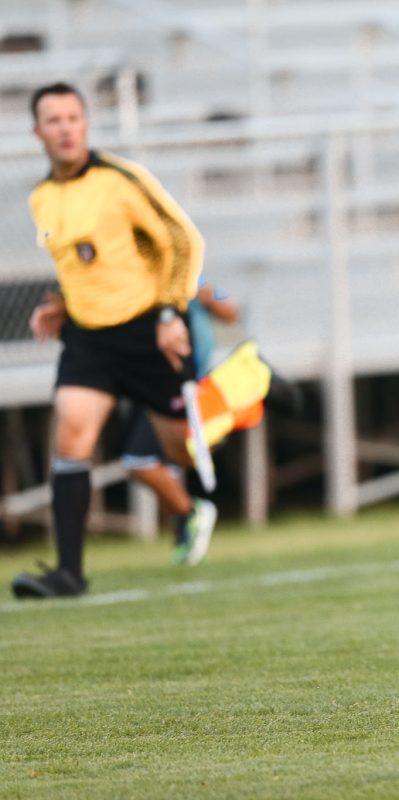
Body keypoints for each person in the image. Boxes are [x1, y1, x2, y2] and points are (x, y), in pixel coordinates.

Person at [13, 82, 207, 599]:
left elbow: (183, 241)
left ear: (85, 125)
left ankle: (251, 398)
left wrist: (170, 311)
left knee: (183, 450)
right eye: (53, 120)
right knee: (71, 439)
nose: (65, 128)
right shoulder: (41, 197)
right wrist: (59, 305)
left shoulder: (121, 179)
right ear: (38, 132)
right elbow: (80, 262)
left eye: (73, 117)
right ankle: (69, 573)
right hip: (89, 341)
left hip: (147, 331)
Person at [121, 277, 236, 565]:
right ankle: (186, 522)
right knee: (156, 462)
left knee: (140, 460)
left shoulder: (187, 271)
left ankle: (190, 512)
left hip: (183, 382)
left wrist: (207, 297)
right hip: (144, 380)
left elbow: (230, 312)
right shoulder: (125, 274)